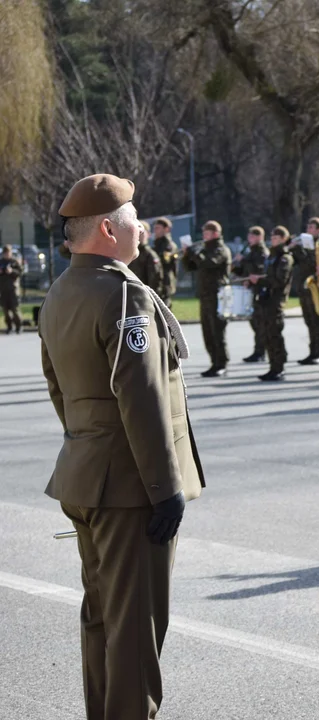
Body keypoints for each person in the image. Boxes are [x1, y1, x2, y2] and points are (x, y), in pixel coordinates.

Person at [41, 173, 204, 720]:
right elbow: (142, 397)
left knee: (103, 618)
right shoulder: (123, 294)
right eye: (135, 217)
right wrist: (166, 489)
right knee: (135, 630)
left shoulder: (61, 290)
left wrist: (89, 447)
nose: (142, 227)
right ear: (109, 229)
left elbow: (58, 389)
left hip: (86, 476)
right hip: (132, 489)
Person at [183, 220, 232, 377]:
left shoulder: (220, 249)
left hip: (217, 294)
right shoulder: (205, 249)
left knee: (217, 330)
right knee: (207, 331)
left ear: (216, 234)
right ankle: (214, 362)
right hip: (206, 295)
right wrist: (187, 254)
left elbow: (209, 263)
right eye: (203, 233)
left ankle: (221, 363)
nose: (204, 236)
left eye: (207, 233)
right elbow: (190, 267)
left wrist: (195, 253)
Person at [250, 226, 294, 382]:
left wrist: (260, 280)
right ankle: (273, 366)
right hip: (267, 299)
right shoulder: (272, 256)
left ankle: (278, 367)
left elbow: (279, 280)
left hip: (276, 301)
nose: (273, 240)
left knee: (275, 334)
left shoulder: (284, 258)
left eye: (276, 238)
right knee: (268, 334)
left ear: (283, 239)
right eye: (272, 237)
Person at [292, 216, 319, 365]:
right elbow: (298, 263)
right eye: (308, 227)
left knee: (316, 321)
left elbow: (317, 264)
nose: (308, 230)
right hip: (304, 288)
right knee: (309, 321)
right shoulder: (304, 245)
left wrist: (299, 250)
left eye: (311, 228)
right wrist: (292, 249)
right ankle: (312, 351)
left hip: (315, 288)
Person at [235, 226, 269, 363]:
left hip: (260, 290)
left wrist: (243, 260)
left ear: (259, 237)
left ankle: (260, 351)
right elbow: (245, 270)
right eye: (249, 236)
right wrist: (236, 267)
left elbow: (260, 269)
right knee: (255, 322)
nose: (250, 239)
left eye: (252, 237)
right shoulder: (251, 252)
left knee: (259, 323)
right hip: (251, 290)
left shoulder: (261, 252)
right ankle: (258, 350)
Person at [127, 221, 163, 295]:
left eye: (142, 232)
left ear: (148, 234)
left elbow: (154, 280)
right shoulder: (129, 252)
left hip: (144, 295)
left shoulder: (149, 254)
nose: (139, 235)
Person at [152, 218, 178, 308]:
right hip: (156, 282)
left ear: (166, 229)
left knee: (164, 311)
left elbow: (165, 261)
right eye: (154, 228)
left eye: (158, 228)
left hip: (165, 283)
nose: (155, 230)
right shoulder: (156, 244)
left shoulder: (169, 246)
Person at [0, 244, 23, 334]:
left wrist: (12, 271)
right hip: (3, 289)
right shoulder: (1, 262)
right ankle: (9, 326)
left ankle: (19, 326)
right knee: (5, 310)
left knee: (15, 309)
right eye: (5, 253)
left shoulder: (14, 262)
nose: (7, 254)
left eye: (8, 252)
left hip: (13, 289)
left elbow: (20, 272)